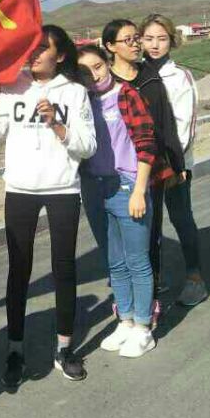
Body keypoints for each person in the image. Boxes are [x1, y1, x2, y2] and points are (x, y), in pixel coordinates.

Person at [0, 25, 97, 387]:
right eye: (30, 48)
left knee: (63, 269)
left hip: (62, 190)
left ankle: (64, 349)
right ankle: (15, 349)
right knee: (18, 271)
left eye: (42, 49)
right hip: (20, 190)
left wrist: (57, 123)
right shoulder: (12, 85)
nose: (34, 54)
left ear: (61, 55)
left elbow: (87, 146)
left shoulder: (75, 92)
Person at [77, 45, 159, 358]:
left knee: (137, 260)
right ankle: (124, 320)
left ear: (109, 63)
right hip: (96, 188)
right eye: (85, 72)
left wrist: (140, 189)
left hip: (127, 186)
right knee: (114, 261)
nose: (94, 75)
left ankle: (143, 326)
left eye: (98, 66)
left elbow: (146, 144)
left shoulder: (126, 95)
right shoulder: (81, 102)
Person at [103, 18, 185, 305]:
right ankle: (124, 295)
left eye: (136, 38)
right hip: (112, 174)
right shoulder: (106, 84)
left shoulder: (150, 77)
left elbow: (165, 124)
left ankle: (150, 295)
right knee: (115, 239)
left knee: (150, 233)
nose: (136, 44)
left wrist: (176, 163)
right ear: (110, 47)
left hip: (150, 170)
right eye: (128, 40)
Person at [139, 14, 208, 306]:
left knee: (181, 218)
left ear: (172, 40)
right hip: (144, 166)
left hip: (173, 164)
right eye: (149, 38)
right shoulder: (135, 73)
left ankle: (195, 278)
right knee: (148, 226)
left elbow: (184, 125)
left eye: (162, 38)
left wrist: (176, 165)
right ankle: (153, 280)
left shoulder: (180, 77)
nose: (155, 45)